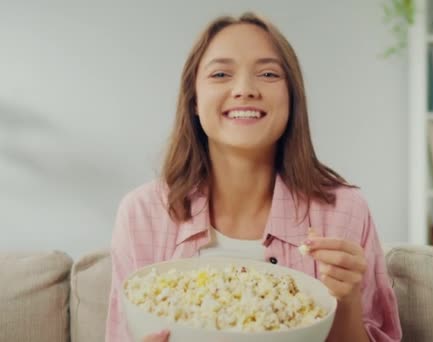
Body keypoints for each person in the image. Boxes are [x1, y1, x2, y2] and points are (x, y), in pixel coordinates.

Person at [106, 12, 402, 342]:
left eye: (268, 73)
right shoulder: (141, 215)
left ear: (292, 97)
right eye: (220, 74)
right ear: (193, 99)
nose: (245, 90)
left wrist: (347, 299)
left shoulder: (344, 211)